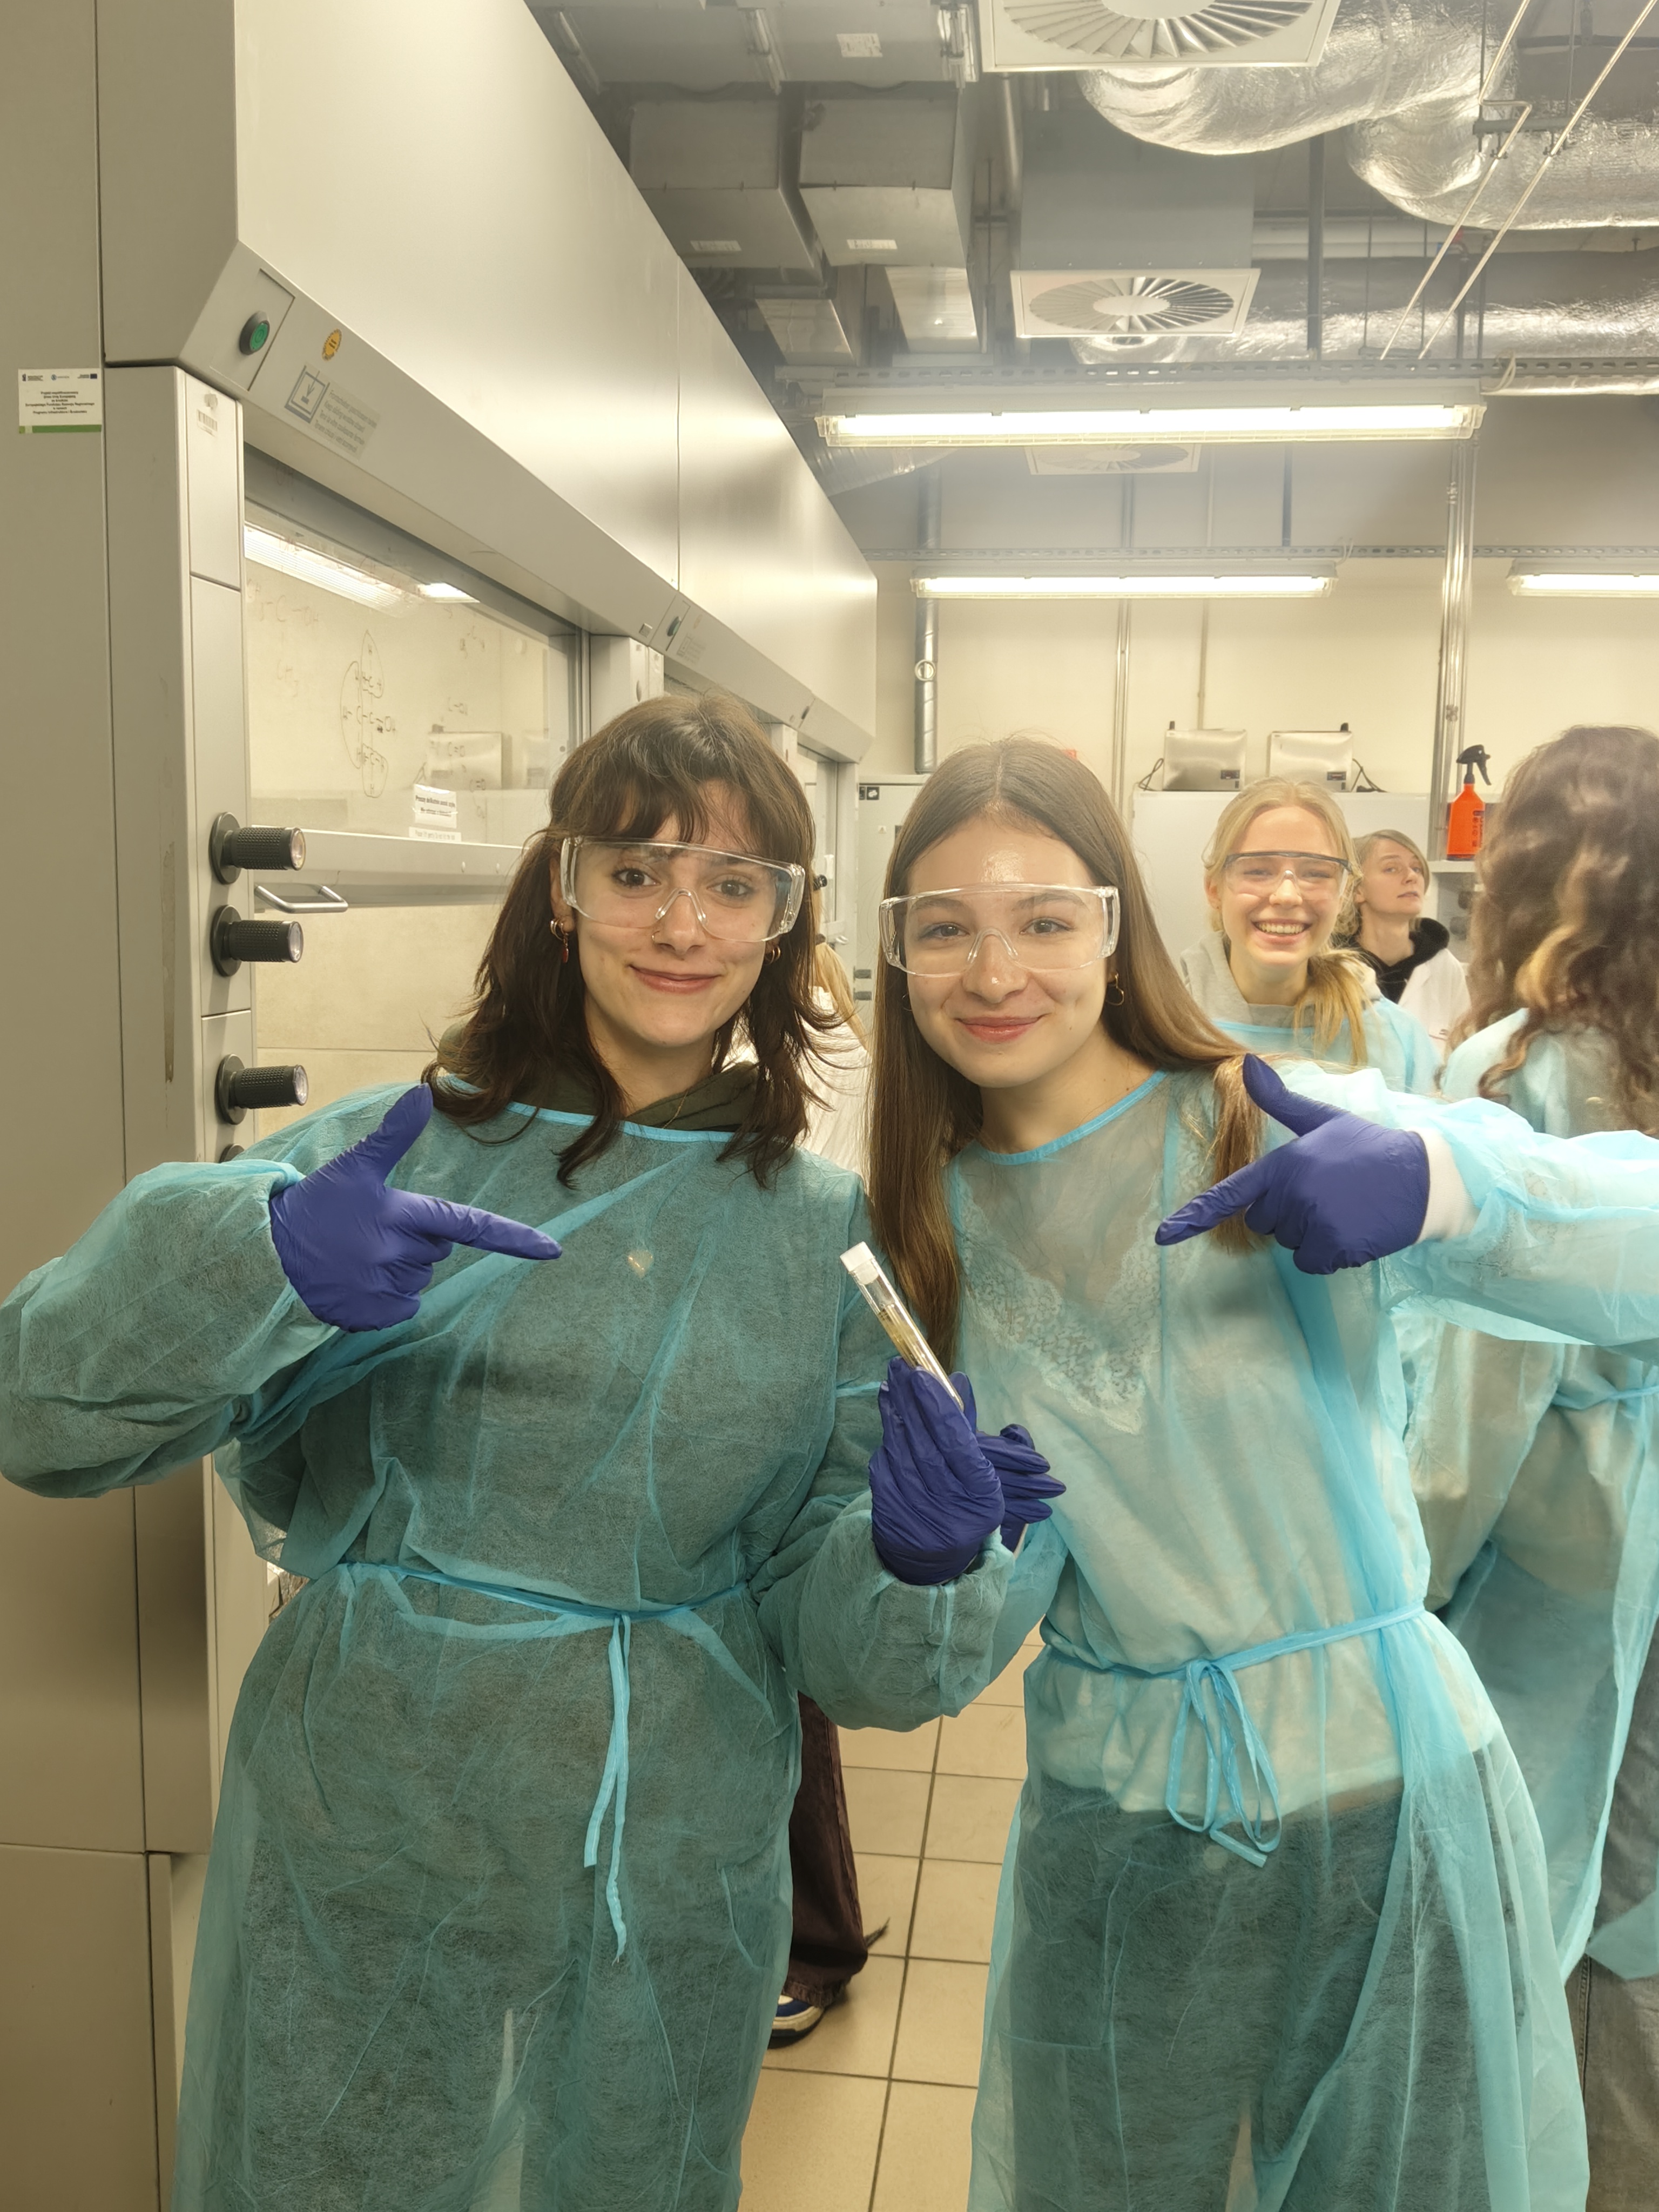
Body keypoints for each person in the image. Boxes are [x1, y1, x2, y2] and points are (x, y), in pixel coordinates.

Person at [0, 697, 1050, 2212]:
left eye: (733, 884)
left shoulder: (827, 1238)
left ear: (783, 923)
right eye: (633, 873)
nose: (680, 924)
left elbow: (849, 1659)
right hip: (368, 1819)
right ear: (559, 891)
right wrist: (259, 1261)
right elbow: (40, 1415)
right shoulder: (386, 1159)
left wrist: (909, 1561)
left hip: (665, 1849)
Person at [865, 734, 1659, 2212]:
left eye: (1044, 919)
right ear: (895, 950)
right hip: (1121, 1826)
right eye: (946, 928)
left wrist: (1447, 1186)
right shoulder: (916, 1231)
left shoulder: (1263, 1120)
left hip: (1386, 1800)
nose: (995, 971)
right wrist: (930, 1567)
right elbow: (921, 1655)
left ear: (1117, 929)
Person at [1404, 724, 1659, 2210]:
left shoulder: (1509, 1072)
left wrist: (1402, 1582)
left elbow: (1476, 1409)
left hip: (1552, 1591)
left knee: (1534, 1924)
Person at [1178, 777, 1438, 1092]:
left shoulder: (1396, 1039)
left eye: (1316, 873)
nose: (1287, 896)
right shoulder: (1160, 1030)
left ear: (1343, 894)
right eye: (1258, 871)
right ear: (1214, 889)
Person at [1341, 827, 1470, 1061]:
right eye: (1391, 868)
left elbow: (1462, 1058)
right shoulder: (1332, 969)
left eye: (1417, 868)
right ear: (1357, 889)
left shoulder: (1445, 967)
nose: (1411, 877)